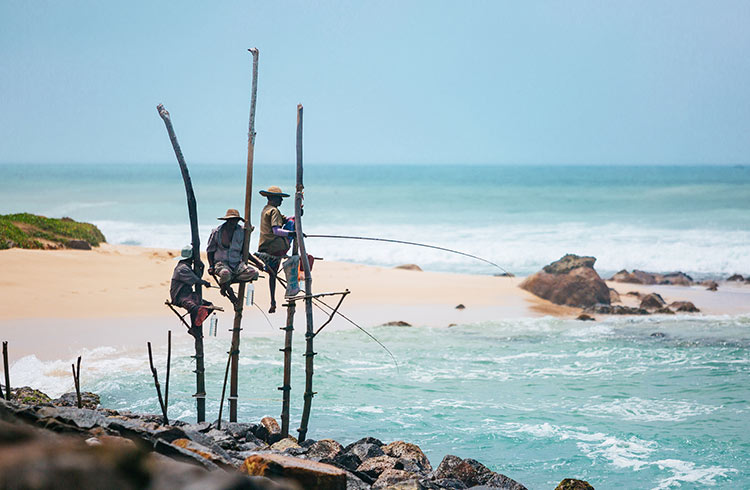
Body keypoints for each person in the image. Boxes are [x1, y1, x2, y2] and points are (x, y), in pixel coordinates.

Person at [255, 186, 297, 313]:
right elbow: (276, 230)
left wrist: (296, 215)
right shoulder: (274, 211)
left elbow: (286, 219)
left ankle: (272, 301)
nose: (281, 201)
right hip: (275, 246)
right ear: (272, 198)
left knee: (272, 275)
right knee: (292, 224)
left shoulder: (266, 209)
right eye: (279, 198)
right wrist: (292, 234)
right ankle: (274, 299)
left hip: (265, 246)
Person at [206, 208, 259, 303]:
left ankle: (226, 283)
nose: (233, 223)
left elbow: (245, 251)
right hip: (221, 263)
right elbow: (210, 251)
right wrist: (211, 266)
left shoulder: (241, 232)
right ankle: (230, 292)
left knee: (254, 273)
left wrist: (258, 263)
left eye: (235, 221)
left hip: (236, 264)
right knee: (225, 273)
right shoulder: (217, 232)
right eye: (231, 221)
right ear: (227, 221)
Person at [170, 245, 213, 338]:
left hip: (189, 294)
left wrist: (201, 266)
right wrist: (205, 282)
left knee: (209, 306)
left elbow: (196, 277)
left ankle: (196, 326)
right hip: (180, 296)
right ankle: (195, 328)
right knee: (195, 309)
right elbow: (196, 279)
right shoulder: (183, 268)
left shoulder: (186, 267)